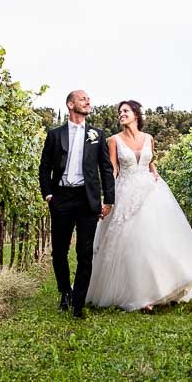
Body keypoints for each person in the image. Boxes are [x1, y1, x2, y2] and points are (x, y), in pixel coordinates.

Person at [87, 100, 192, 311]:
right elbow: (112, 170)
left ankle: (162, 289)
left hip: (150, 192)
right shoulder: (113, 140)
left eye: (126, 111)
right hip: (125, 191)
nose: (121, 114)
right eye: (120, 112)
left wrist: (155, 172)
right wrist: (107, 197)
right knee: (130, 243)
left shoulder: (149, 138)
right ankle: (139, 295)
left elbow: (149, 161)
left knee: (155, 240)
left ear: (136, 115)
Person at [38, 90, 116, 318]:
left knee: (85, 252)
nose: (88, 101)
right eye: (83, 99)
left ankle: (79, 303)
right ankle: (65, 292)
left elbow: (106, 169)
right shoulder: (55, 135)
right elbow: (45, 167)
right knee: (59, 251)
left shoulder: (97, 135)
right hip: (61, 197)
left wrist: (108, 199)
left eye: (89, 99)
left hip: (87, 198)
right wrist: (48, 194)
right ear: (71, 104)